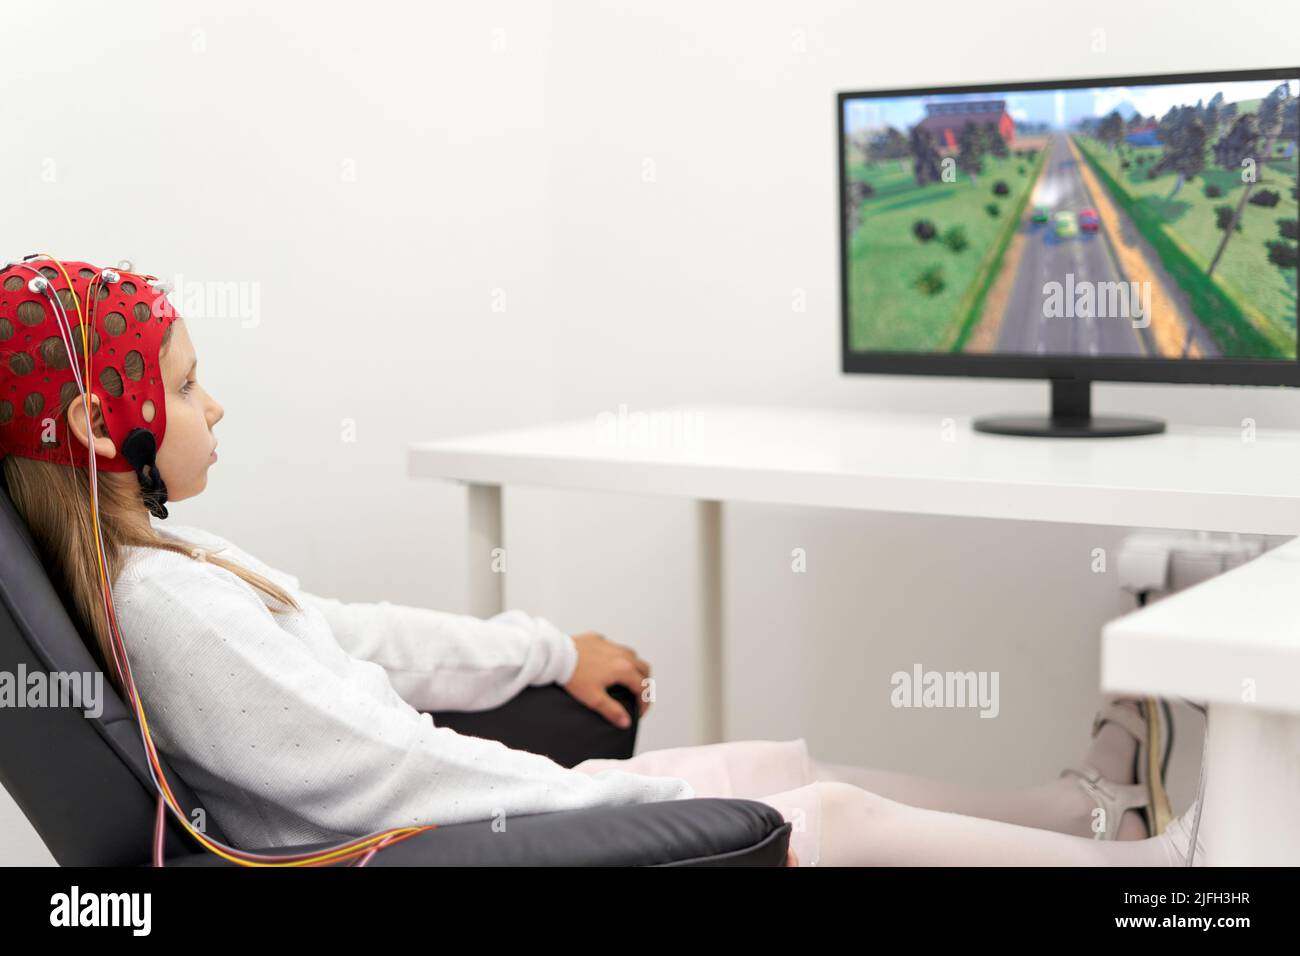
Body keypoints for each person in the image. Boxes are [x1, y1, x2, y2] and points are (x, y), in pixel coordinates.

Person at [0, 256, 1204, 866]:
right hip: (449, 842)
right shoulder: (171, 606)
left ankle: (1084, 807)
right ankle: (1169, 875)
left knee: (778, 757)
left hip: (453, 809)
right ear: (107, 426)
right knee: (819, 813)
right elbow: (397, 780)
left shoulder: (170, 557)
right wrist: (662, 804)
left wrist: (544, 647)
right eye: (189, 382)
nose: (220, 403)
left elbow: (354, 634)